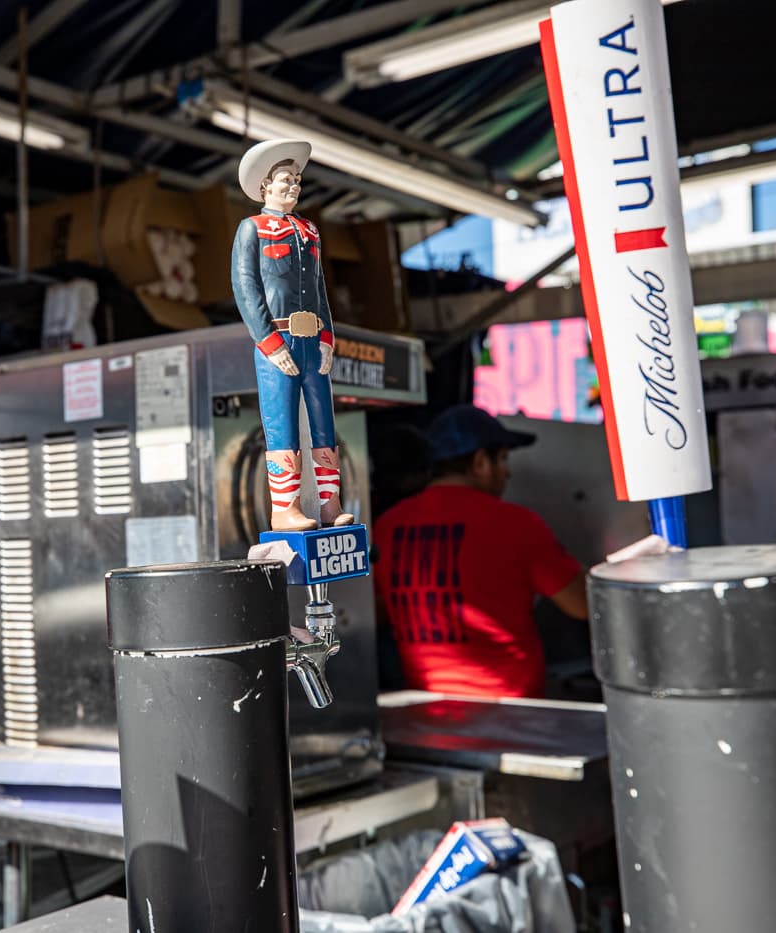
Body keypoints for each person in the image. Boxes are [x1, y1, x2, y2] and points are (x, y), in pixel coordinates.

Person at [373, 404, 587, 699]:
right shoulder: (516, 523)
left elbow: (377, 609)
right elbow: (583, 605)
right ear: (480, 462)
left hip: (425, 709)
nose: (507, 471)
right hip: (510, 709)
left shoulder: (386, 526)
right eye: (502, 459)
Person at [231, 137, 354, 532]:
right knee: (281, 423)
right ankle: (285, 508)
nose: (293, 186)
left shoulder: (309, 232)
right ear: (264, 186)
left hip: (311, 340)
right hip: (278, 343)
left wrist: (327, 339)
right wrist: (268, 343)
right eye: (285, 179)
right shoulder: (252, 229)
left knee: (323, 422)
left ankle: (329, 504)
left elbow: (319, 291)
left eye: (297, 179)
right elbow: (246, 289)